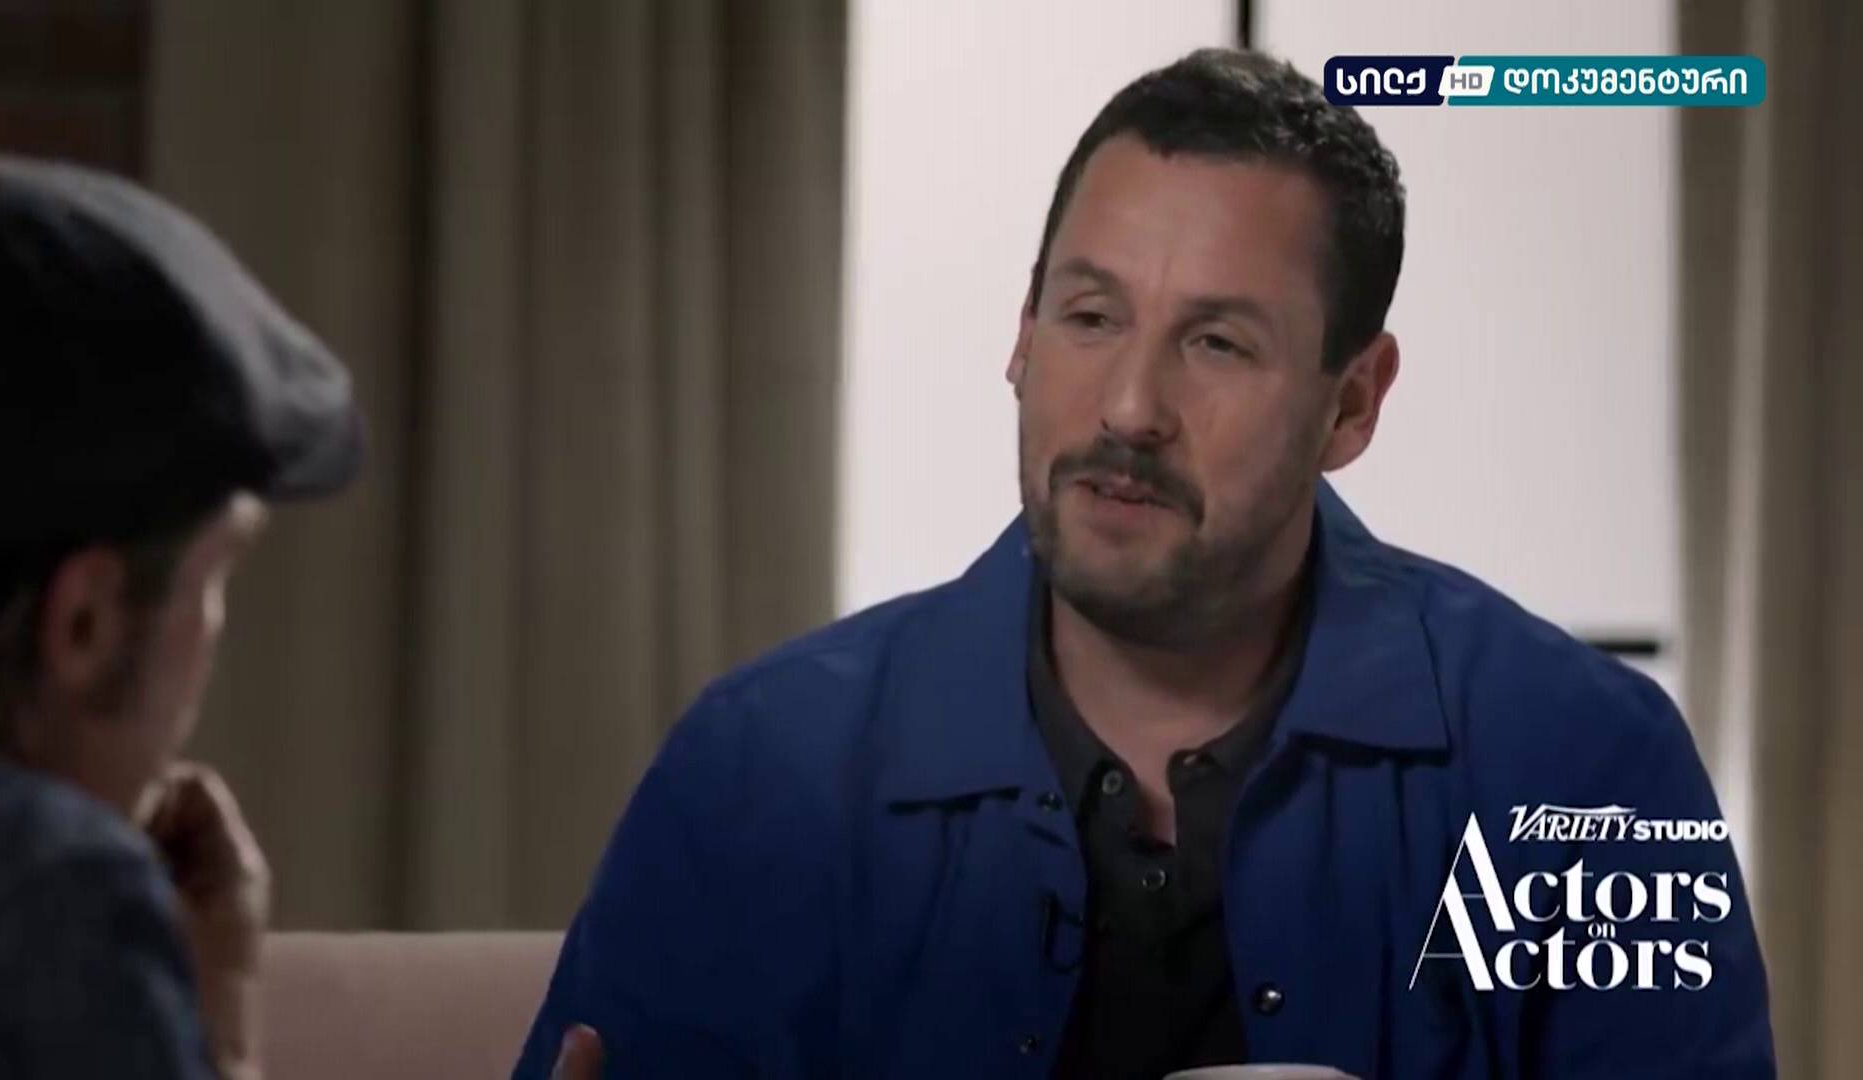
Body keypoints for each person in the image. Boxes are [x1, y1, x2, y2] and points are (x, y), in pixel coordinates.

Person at [515, 50, 1774, 1079]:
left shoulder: (1585, 769)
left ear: (1351, 403)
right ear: (1022, 339)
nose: (1127, 408)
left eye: (1217, 343)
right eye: (1090, 317)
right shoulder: (761, 772)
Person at [0, 157, 363, 1079]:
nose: (214, 633)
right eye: (213, 577)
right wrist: (227, 1045)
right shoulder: (55, 895)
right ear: (84, 623)